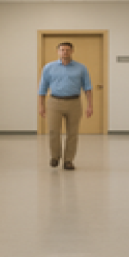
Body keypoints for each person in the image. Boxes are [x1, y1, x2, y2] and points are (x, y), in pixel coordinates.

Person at [38, 42, 93, 170]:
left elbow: (88, 87)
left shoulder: (81, 68)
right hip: (54, 102)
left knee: (72, 133)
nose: (65, 52)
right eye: (62, 50)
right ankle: (55, 157)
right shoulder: (48, 67)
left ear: (72, 51)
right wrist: (41, 105)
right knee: (53, 131)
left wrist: (90, 105)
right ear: (58, 51)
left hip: (74, 102)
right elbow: (42, 88)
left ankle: (68, 160)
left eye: (67, 50)